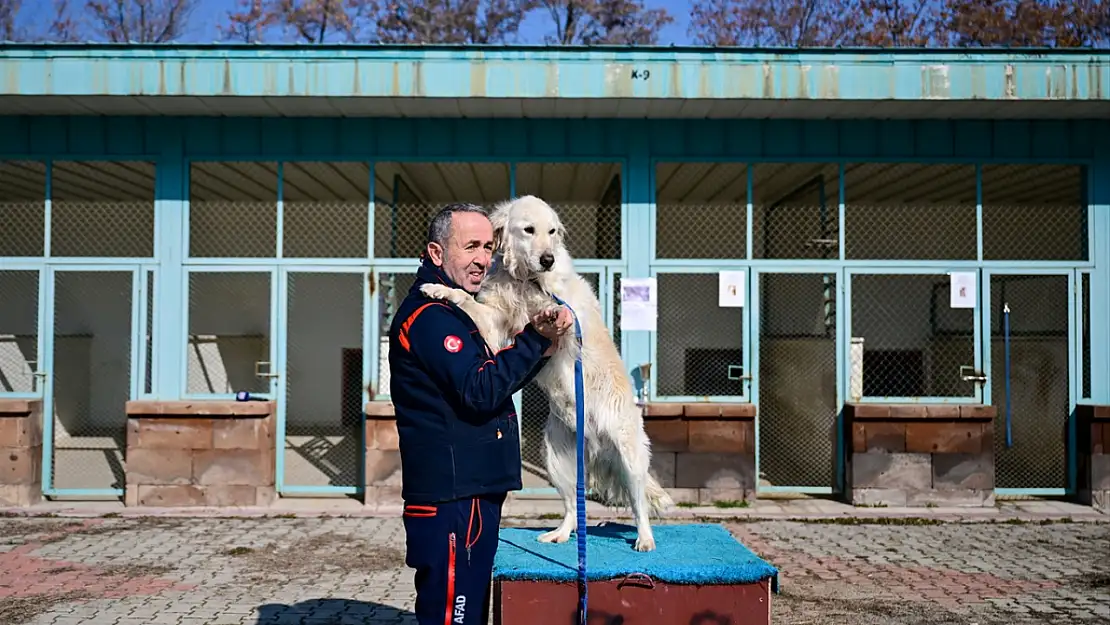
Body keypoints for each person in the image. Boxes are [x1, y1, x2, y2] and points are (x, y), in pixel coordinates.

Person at [388, 202, 573, 625]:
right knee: (455, 615)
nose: (483, 259)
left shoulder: (456, 310)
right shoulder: (432, 318)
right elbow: (480, 389)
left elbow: (495, 378)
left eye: (488, 247)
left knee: (464, 610)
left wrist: (541, 348)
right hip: (454, 497)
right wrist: (531, 342)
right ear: (437, 254)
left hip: (470, 492)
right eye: (470, 246)